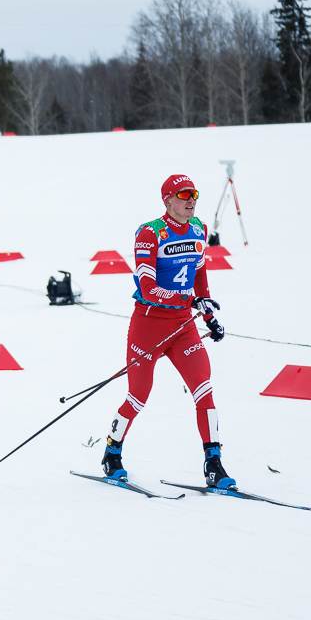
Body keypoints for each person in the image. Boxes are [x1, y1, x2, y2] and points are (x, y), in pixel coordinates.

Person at [101, 174, 234, 490]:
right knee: (138, 396)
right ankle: (112, 451)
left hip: (184, 326)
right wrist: (185, 298)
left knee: (204, 389)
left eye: (194, 195)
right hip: (149, 325)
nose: (191, 200)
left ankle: (213, 464)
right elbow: (147, 287)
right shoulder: (150, 233)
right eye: (184, 195)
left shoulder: (199, 228)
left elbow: (199, 275)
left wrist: (208, 314)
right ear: (168, 200)